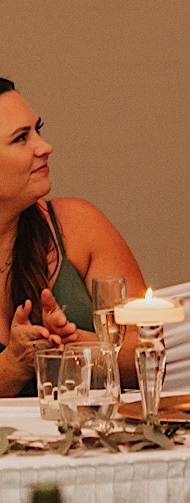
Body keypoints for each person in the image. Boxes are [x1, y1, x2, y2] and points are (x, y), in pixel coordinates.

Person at [0, 78, 146, 394]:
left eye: (37, 130)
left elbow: (145, 357)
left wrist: (75, 345)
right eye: (22, 138)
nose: (44, 147)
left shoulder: (77, 225)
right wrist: (12, 366)